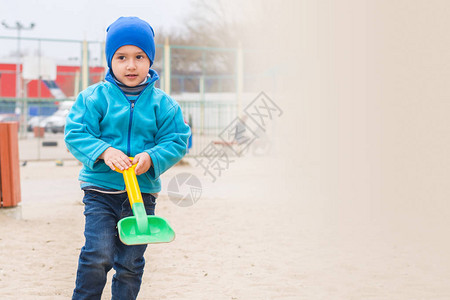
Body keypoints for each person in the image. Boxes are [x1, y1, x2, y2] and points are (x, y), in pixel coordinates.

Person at [64, 16, 191, 300]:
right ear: (110, 60)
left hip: (142, 195)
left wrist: (151, 156)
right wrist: (104, 151)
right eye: (121, 57)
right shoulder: (94, 98)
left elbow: (177, 139)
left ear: (150, 60)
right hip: (100, 191)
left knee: (130, 264)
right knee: (98, 254)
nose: (131, 65)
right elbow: (76, 133)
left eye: (139, 56)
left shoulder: (163, 104)